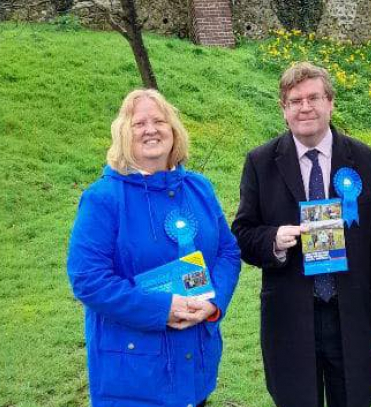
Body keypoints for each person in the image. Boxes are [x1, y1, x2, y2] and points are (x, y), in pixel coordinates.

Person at [232, 62, 371, 407]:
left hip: (353, 315)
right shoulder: (260, 162)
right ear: (283, 109)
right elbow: (243, 234)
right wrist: (274, 240)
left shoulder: (366, 160)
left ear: (330, 103)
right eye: (295, 101)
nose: (305, 107)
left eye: (313, 98)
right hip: (290, 316)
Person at [67, 89, 241, 407]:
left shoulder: (199, 188)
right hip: (134, 376)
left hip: (195, 362)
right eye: (139, 123)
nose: (151, 129)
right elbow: (88, 280)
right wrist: (161, 309)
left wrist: (214, 302)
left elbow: (228, 252)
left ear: (173, 131)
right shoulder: (103, 198)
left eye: (160, 121)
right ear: (123, 135)